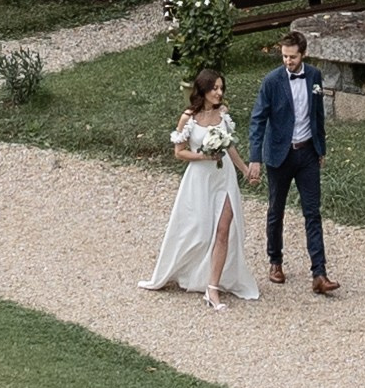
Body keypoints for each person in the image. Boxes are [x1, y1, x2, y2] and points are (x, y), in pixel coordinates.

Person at [139, 66, 260, 308]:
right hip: (199, 179)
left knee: (224, 229)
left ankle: (212, 288)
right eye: (215, 88)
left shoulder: (222, 114)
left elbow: (230, 147)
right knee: (198, 230)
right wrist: (204, 156)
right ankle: (175, 269)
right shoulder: (189, 118)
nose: (219, 92)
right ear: (203, 89)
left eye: (221, 88)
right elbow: (179, 152)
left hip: (224, 177)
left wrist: (244, 170)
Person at [246, 27, 340, 294]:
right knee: (276, 210)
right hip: (279, 155)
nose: (288, 62)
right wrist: (256, 157)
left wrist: (320, 148)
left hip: (307, 153)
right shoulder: (272, 81)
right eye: (285, 57)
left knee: (313, 212)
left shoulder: (314, 76)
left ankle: (319, 274)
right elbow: (257, 120)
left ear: (303, 54)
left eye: (293, 57)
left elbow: (317, 115)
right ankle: (275, 261)